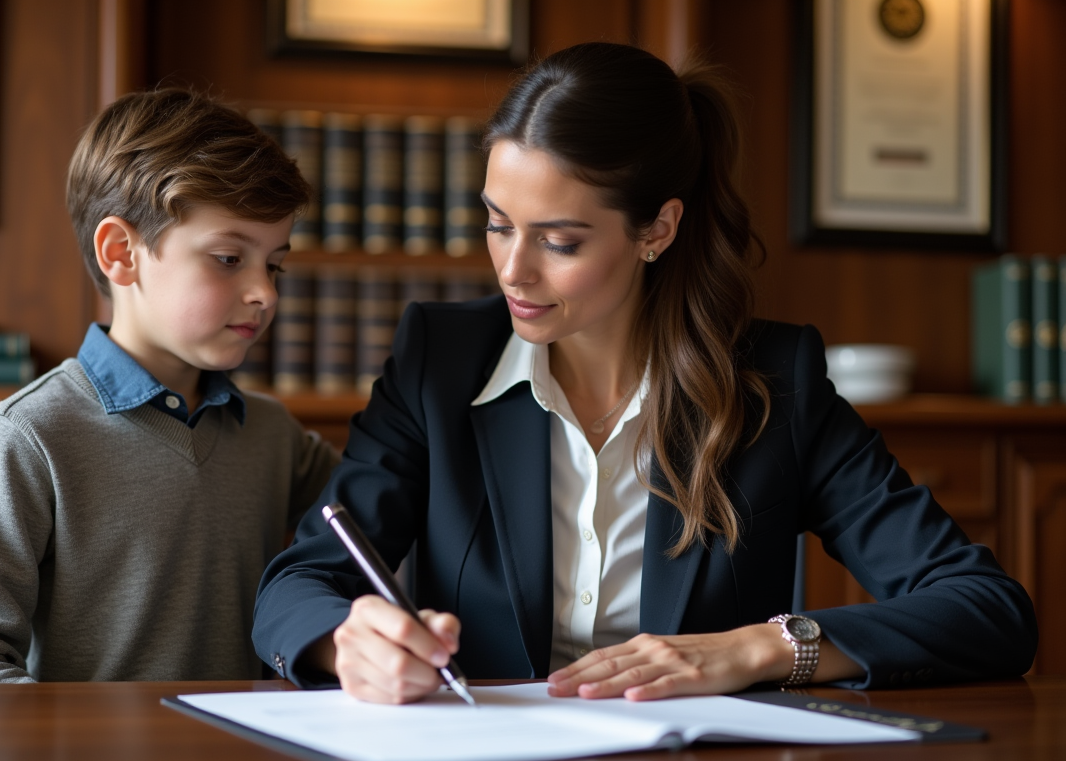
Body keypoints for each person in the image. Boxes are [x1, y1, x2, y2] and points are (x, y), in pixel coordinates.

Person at [252, 43, 1037, 704]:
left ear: (656, 229)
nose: (512, 271)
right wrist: (343, 644)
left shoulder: (775, 381)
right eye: (497, 225)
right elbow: (296, 586)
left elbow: (989, 610)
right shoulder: (438, 363)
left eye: (559, 242)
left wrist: (762, 649)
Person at [0, 90, 339, 683]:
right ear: (120, 253)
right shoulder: (28, 438)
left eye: (275, 264)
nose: (266, 293)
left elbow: (388, 505)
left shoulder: (272, 434)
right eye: (229, 259)